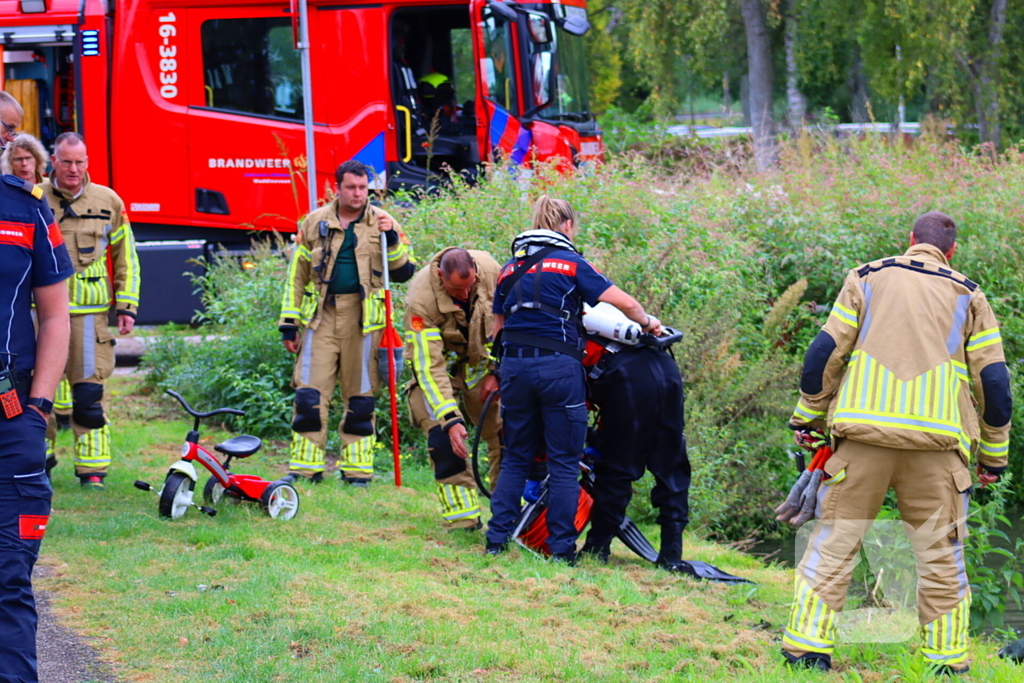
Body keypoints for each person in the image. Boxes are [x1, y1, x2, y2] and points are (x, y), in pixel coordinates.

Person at [782, 211, 1012, 674]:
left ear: (910, 241)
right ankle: (945, 662)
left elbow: (824, 353)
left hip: (860, 444)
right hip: (937, 451)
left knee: (834, 545)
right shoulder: (969, 294)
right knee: (941, 557)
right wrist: (994, 455)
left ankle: (808, 650)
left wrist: (808, 418)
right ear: (951, 252)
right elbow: (995, 383)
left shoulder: (866, 278)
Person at [485, 195, 662, 563]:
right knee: (564, 461)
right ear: (567, 226)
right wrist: (648, 323)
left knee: (516, 456)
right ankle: (562, 551)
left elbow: (497, 330)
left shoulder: (507, 270)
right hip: (557, 369)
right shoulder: (570, 263)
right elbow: (624, 304)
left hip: (514, 370)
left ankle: (496, 541)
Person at [278, 160, 416, 485]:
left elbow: (404, 271)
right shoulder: (313, 223)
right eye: (351, 188)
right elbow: (295, 278)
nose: (358, 194)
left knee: (361, 398)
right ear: (337, 188)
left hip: (365, 320)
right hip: (320, 317)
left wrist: (392, 238)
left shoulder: (384, 221)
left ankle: (357, 473)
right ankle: (305, 469)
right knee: (309, 396)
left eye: (363, 188)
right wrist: (288, 323)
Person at [0, 166, 73, 682]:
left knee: (9, 575)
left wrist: (38, 410)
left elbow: (54, 316)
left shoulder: (26, 208)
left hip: (10, 415)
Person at [41, 132, 142, 488]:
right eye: (66, 161)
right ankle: (39, 465)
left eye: (79, 162)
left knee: (88, 396)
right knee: (38, 397)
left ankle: (93, 473)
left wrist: (127, 305)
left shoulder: (108, 200)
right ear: (53, 161)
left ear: (88, 163)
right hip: (39, 316)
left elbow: (126, 257)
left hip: (89, 316)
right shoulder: (33, 196)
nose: (73, 169)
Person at [404, 247, 502, 529]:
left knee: (507, 432)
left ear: (476, 271)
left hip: (481, 365)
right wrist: (450, 419)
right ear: (439, 276)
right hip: (441, 370)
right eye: (456, 290)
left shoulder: (491, 270)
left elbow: (505, 327)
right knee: (442, 436)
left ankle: (507, 507)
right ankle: (463, 517)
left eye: (469, 286)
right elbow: (429, 367)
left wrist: (498, 371)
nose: (464, 294)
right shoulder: (420, 301)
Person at [579, 334, 692, 569]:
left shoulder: (569, 333)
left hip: (627, 378)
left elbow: (576, 400)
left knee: (617, 468)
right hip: (667, 369)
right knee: (672, 466)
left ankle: (597, 549)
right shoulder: (613, 326)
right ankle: (671, 555)